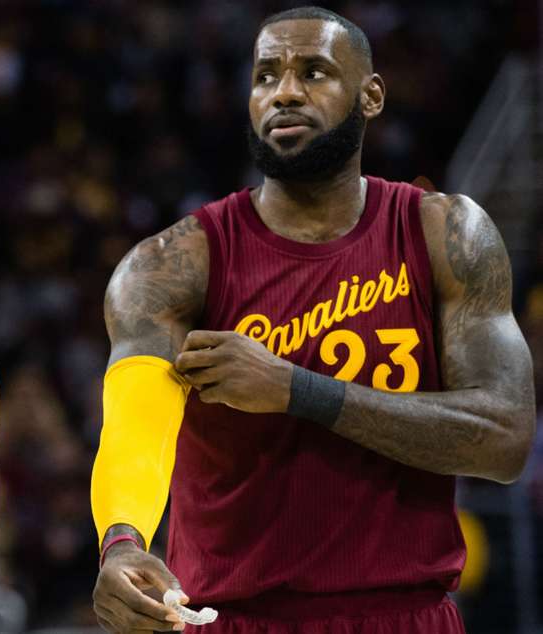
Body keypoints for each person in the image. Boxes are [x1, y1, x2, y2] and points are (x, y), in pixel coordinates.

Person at [90, 7, 535, 634]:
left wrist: (299, 390)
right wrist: (122, 541)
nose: (285, 92)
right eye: (265, 76)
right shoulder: (173, 264)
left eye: (315, 72)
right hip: (233, 617)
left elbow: (505, 438)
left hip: (404, 614)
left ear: (371, 95)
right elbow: (134, 426)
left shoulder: (444, 233)